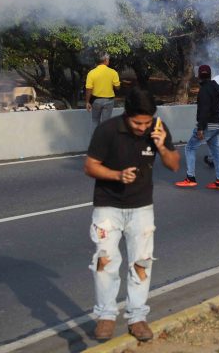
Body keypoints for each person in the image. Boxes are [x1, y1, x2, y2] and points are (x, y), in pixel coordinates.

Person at [84, 87, 180, 342]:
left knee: (141, 262)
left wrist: (161, 146)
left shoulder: (157, 129)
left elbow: (174, 165)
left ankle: (137, 318)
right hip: (108, 206)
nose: (142, 128)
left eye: (146, 122)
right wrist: (116, 175)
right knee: (105, 261)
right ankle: (106, 315)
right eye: (138, 123)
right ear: (127, 116)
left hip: (141, 207)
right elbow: (90, 166)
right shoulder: (107, 131)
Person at [174, 65, 219, 190]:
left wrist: (200, 128)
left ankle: (190, 178)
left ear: (199, 76)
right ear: (210, 74)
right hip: (218, 124)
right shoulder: (215, 87)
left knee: (190, 148)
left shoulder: (204, 91)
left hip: (208, 125)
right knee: (216, 152)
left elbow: (204, 111)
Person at [86, 53, 121, 127]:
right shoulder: (113, 72)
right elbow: (117, 87)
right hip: (109, 101)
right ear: (105, 60)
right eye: (108, 59)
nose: (109, 61)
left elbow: (89, 89)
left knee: (95, 121)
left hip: (96, 101)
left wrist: (87, 102)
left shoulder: (91, 73)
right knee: (106, 123)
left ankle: (95, 138)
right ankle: (104, 138)